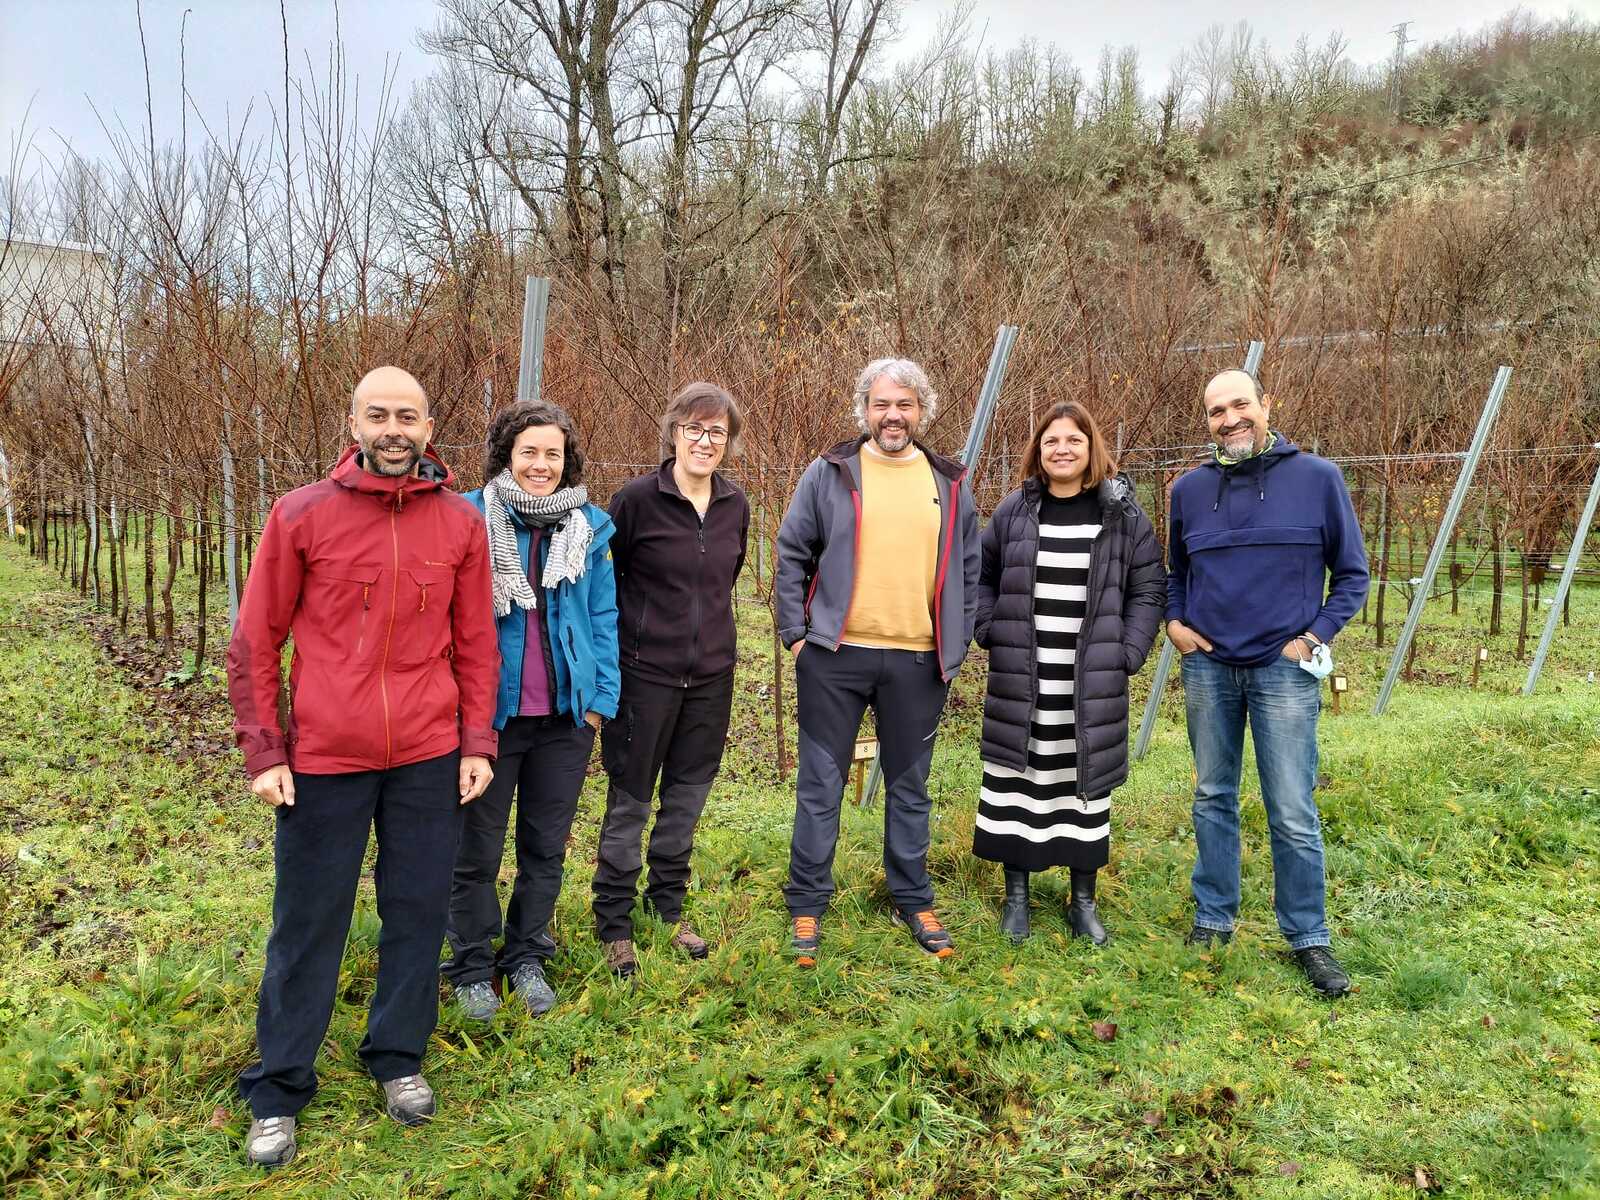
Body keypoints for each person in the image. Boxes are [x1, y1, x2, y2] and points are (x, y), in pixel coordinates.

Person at [226, 366, 498, 1168]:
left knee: (417, 912)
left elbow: (477, 642)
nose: (393, 429)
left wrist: (476, 741)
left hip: (426, 754)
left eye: (407, 416)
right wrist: (265, 751)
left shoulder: (459, 525)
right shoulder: (301, 515)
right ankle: (279, 1088)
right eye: (378, 415)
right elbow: (254, 640)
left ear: (428, 426)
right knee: (308, 923)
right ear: (353, 424)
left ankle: (397, 1058)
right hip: (323, 759)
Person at [1166, 367, 1369, 997]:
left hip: (1284, 669)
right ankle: (1213, 918)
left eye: (1239, 405)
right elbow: (1177, 572)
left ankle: (1309, 937)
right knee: (1211, 796)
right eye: (1215, 411)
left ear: (1265, 405)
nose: (1229, 420)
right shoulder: (1188, 491)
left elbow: (1353, 576)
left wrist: (1312, 639)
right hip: (1209, 667)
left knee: (1291, 807)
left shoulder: (1318, 480)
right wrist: (1174, 622)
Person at [775, 357, 979, 966]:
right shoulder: (830, 473)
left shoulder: (948, 482)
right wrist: (795, 636)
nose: (893, 416)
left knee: (910, 786)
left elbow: (969, 567)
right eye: (882, 404)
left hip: (918, 661)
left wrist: (958, 639)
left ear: (922, 411)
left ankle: (911, 895)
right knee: (820, 785)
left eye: (905, 405)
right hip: (835, 656)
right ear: (864, 410)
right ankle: (808, 899)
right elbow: (791, 552)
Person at [443, 401, 619, 1018]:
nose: (541, 465)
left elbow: (603, 618)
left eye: (553, 454)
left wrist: (598, 704)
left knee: (545, 846)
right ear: (506, 457)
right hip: (490, 722)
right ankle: (469, 962)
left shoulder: (589, 528)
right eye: (529, 452)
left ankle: (525, 955)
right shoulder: (467, 518)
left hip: (565, 721)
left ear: (567, 460)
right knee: (477, 849)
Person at [973, 401, 1164, 944]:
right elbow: (981, 575)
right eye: (1051, 440)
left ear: (1091, 448)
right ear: (1038, 449)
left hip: (1091, 682)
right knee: (1018, 783)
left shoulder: (1121, 515)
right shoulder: (1014, 511)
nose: (1062, 449)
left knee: (1083, 785)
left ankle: (1083, 901)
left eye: (1073, 441)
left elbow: (1149, 587)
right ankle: (1017, 897)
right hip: (1023, 678)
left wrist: (1127, 652)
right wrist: (989, 626)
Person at [591, 383, 750, 978]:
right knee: (630, 800)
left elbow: (725, 578)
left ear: (727, 442)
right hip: (645, 677)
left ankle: (666, 906)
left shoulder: (736, 505)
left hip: (711, 677)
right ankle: (613, 920)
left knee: (685, 798)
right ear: (673, 433)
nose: (704, 441)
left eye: (716, 432)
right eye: (694, 429)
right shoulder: (635, 501)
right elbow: (610, 581)